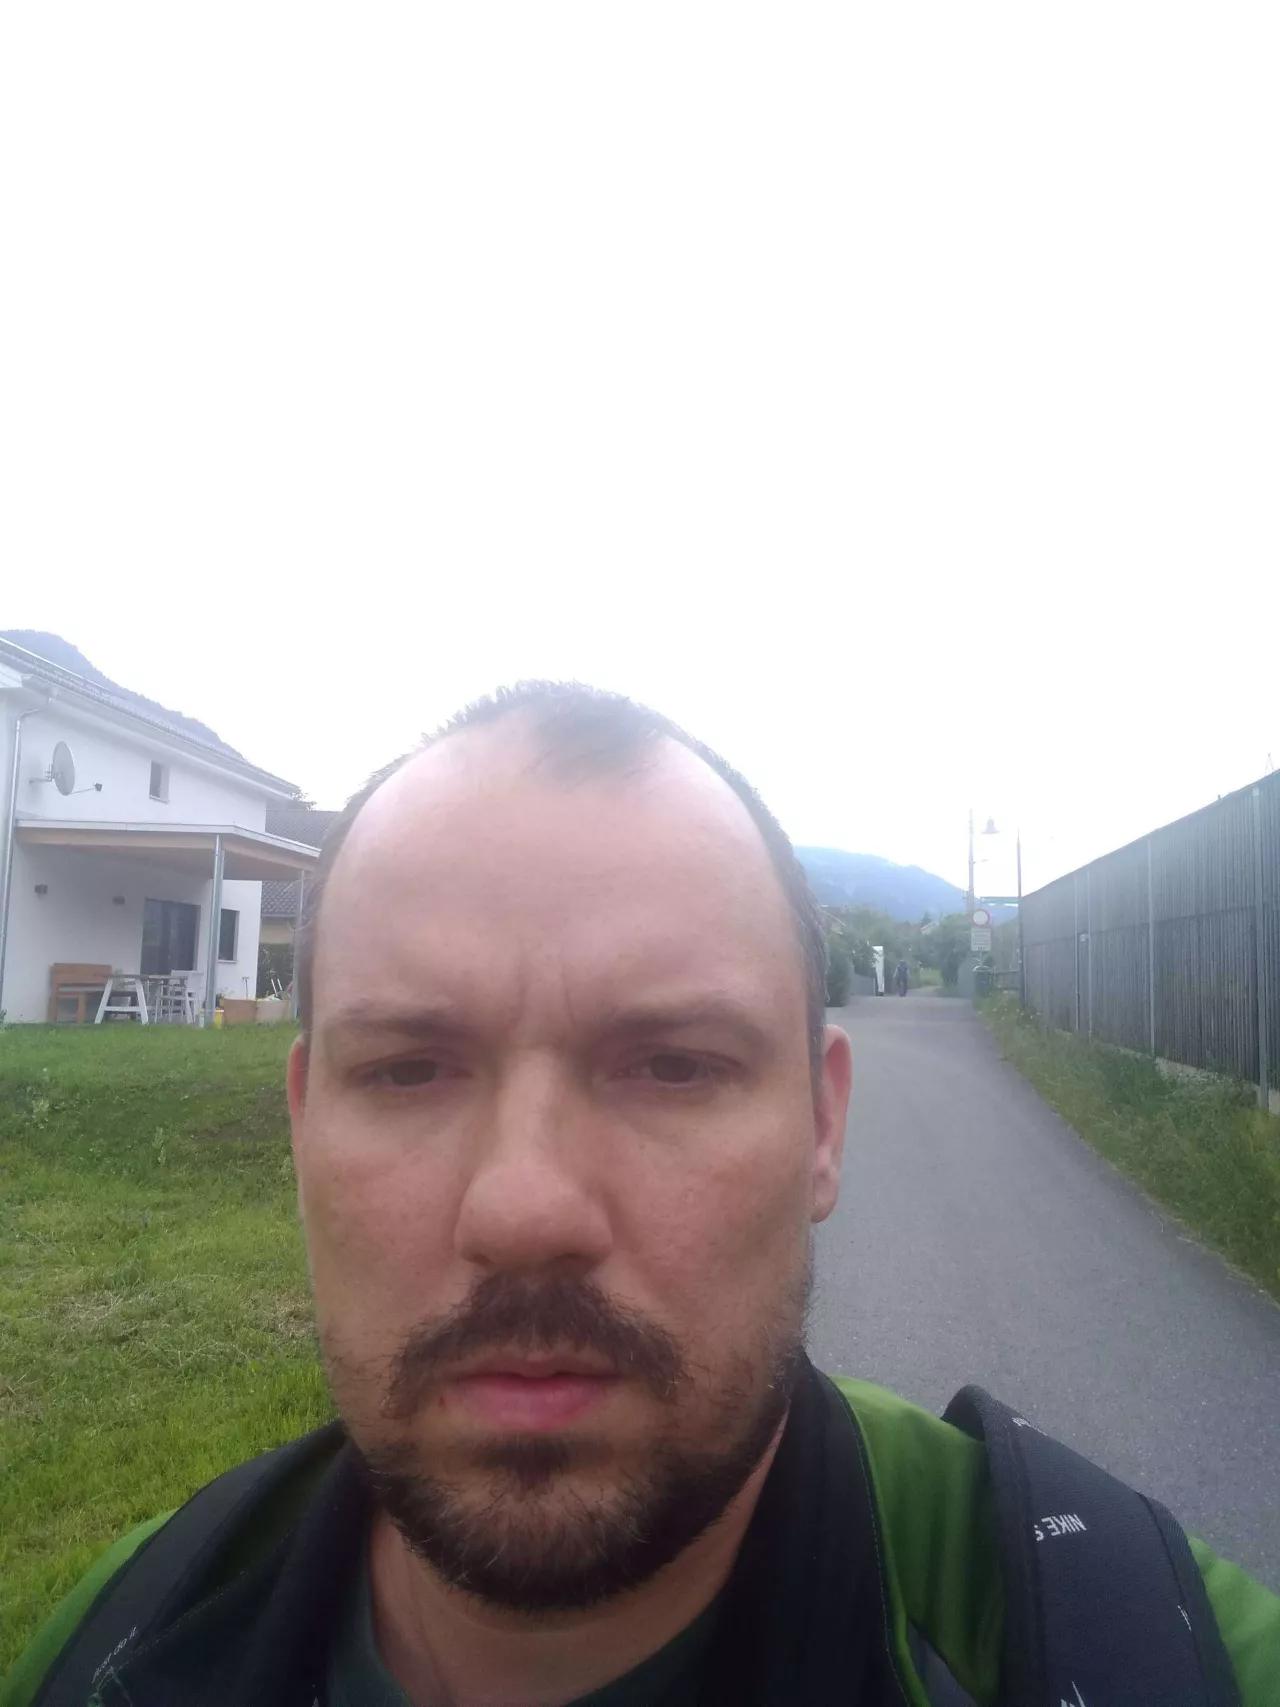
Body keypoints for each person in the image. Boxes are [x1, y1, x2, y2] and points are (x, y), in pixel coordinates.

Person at [5, 683, 1277, 1707]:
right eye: (405, 1069)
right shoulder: (109, 1643)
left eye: (672, 1065)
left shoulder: (1149, 1649)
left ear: (821, 1123)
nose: (524, 1212)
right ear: (301, 1132)